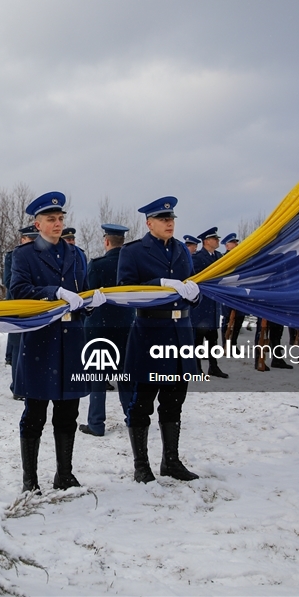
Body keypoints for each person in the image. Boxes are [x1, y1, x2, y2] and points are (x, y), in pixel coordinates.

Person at [10, 192, 105, 492]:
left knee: (68, 412)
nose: (57, 224)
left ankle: (64, 473)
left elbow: (84, 291)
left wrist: (91, 301)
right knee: (35, 414)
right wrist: (54, 292)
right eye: (51, 219)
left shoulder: (77, 255)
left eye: (60, 219)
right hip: (41, 341)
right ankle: (30, 480)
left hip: (72, 340)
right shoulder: (24, 256)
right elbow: (18, 290)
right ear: (37, 224)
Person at [117, 196, 202, 483]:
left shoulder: (180, 250)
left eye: (172, 219)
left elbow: (189, 285)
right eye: (164, 219)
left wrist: (195, 294)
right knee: (143, 402)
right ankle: (141, 465)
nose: (170, 223)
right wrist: (159, 285)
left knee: (174, 401)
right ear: (149, 223)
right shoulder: (133, 252)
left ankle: (171, 461)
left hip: (180, 334)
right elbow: (124, 291)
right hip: (151, 333)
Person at [79, 224, 134, 437]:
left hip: (100, 327)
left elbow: (88, 294)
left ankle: (96, 423)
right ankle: (132, 417)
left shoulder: (98, 265)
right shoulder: (131, 265)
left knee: (98, 377)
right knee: (126, 376)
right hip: (126, 325)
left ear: (106, 241)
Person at [4, 226, 38, 399]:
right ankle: (17, 387)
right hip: (17, 306)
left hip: (36, 306)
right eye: (30, 239)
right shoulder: (13, 256)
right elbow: (9, 281)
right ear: (22, 239)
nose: (33, 242)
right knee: (18, 346)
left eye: (35, 239)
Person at [191, 227, 227, 378]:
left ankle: (213, 366)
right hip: (201, 305)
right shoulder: (197, 258)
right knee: (198, 340)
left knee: (213, 339)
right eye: (215, 239)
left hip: (213, 305)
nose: (218, 241)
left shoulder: (219, 256)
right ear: (206, 241)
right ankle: (196, 367)